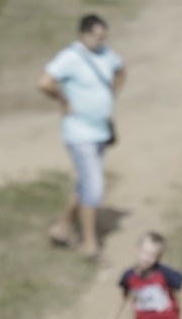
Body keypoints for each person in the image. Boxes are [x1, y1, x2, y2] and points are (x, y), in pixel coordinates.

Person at [39, 14, 126, 262]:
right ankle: (90, 244)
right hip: (79, 132)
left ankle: (62, 227)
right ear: (83, 34)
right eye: (96, 37)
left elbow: (121, 70)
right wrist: (63, 100)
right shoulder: (70, 57)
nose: (101, 41)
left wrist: (109, 96)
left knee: (86, 184)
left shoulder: (107, 54)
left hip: (100, 130)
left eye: (103, 37)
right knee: (94, 188)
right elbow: (44, 82)